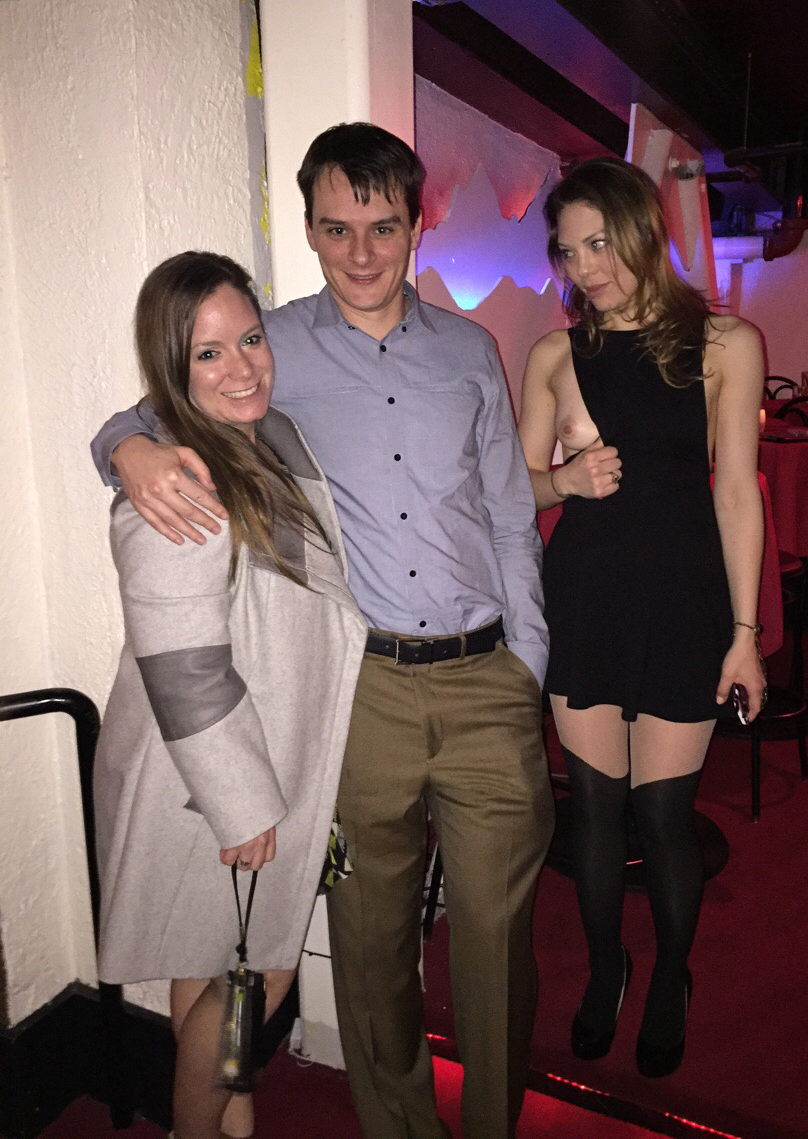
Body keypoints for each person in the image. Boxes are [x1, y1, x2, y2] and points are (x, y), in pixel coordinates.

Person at [91, 124, 554, 1139]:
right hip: (363, 696)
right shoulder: (269, 347)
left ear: (417, 224)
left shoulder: (470, 352)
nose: (361, 251)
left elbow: (509, 512)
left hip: (484, 678)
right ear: (307, 229)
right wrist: (125, 449)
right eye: (336, 228)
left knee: (493, 933)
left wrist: (528, 661)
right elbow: (161, 404)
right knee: (368, 941)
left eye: (382, 226)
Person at [94, 252, 367, 1139]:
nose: (241, 367)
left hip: (244, 758)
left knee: (210, 955)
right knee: (258, 974)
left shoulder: (265, 440)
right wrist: (242, 803)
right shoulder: (176, 487)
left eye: (249, 339)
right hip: (216, 776)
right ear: (171, 367)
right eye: (208, 354)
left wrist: (122, 439)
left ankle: (231, 1116)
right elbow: (183, 664)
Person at [517, 157, 766, 1078]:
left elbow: (735, 493)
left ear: (642, 234)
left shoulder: (726, 343)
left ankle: (669, 976)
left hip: (683, 601)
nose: (585, 267)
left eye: (599, 243)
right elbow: (516, 488)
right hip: (583, 598)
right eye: (568, 250)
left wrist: (745, 639)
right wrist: (566, 481)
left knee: (663, 816)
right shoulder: (555, 355)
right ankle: (605, 969)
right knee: (593, 813)